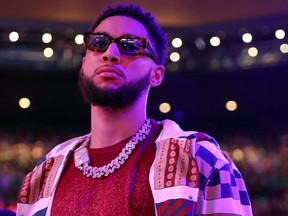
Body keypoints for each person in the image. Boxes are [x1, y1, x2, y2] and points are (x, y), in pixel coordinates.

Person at [17, 3, 253, 216]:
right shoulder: (43, 176)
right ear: (83, 64)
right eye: (98, 43)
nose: (111, 54)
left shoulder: (202, 161)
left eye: (130, 46)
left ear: (157, 75)